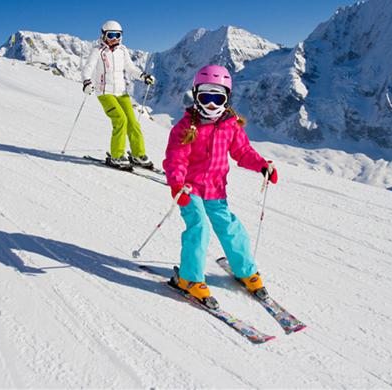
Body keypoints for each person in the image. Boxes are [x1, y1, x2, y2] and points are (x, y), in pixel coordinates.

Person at [162, 65, 278, 309]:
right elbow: (176, 158)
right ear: (196, 96)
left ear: (227, 98)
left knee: (230, 227)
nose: (212, 104)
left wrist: (261, 165)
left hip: (215, 188)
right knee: (199, 227)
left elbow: (242, 151)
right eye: (206, 97)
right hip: (189, 189)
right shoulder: (185, 127)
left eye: (218, 98)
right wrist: (177, 184)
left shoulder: (230, 125)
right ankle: (189, 279)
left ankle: (246, 271)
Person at [81, 20, 156, 169]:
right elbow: (88, 68)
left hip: (121, 92)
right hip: (105, 93)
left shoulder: (122, 50)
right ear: (103, 35)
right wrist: (86, 82)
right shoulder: (98, 51)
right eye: (111, 35)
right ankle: (116, 156)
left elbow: (130, 68)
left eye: (117, 35)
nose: (114, 38)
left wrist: (143, 76)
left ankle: (138, 154)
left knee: (133, 122)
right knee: (120, 120)